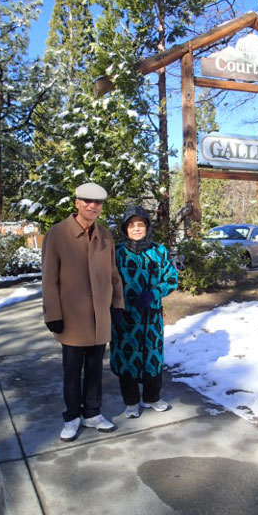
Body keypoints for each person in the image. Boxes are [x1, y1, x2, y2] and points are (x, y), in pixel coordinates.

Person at [42, 182, 124, 441]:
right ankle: (71, 417)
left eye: (97, 202)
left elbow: (113, 275)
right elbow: (49, 279)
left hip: (100, 317)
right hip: (72, 318)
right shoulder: (57, 234)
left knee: (95, 369)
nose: (92, 206)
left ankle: (92, 413)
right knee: (71, 370)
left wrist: (118, 305)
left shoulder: (105, 236)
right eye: (87, 201)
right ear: (76, 202)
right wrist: (52, 313)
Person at [110, 205, 178, 418]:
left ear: (147, 227)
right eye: (132, 225)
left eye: (141, 225)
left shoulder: (159, 252)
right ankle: (131, 402)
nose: (137, 229)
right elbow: (106, 282)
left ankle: (152, 398)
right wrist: (114, 309)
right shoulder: (117, 254)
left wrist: (153, 294)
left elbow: (171, 279)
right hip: (124, 317)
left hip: (151, 318)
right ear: (125, 229)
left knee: (153, 357)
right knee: (126, 358)